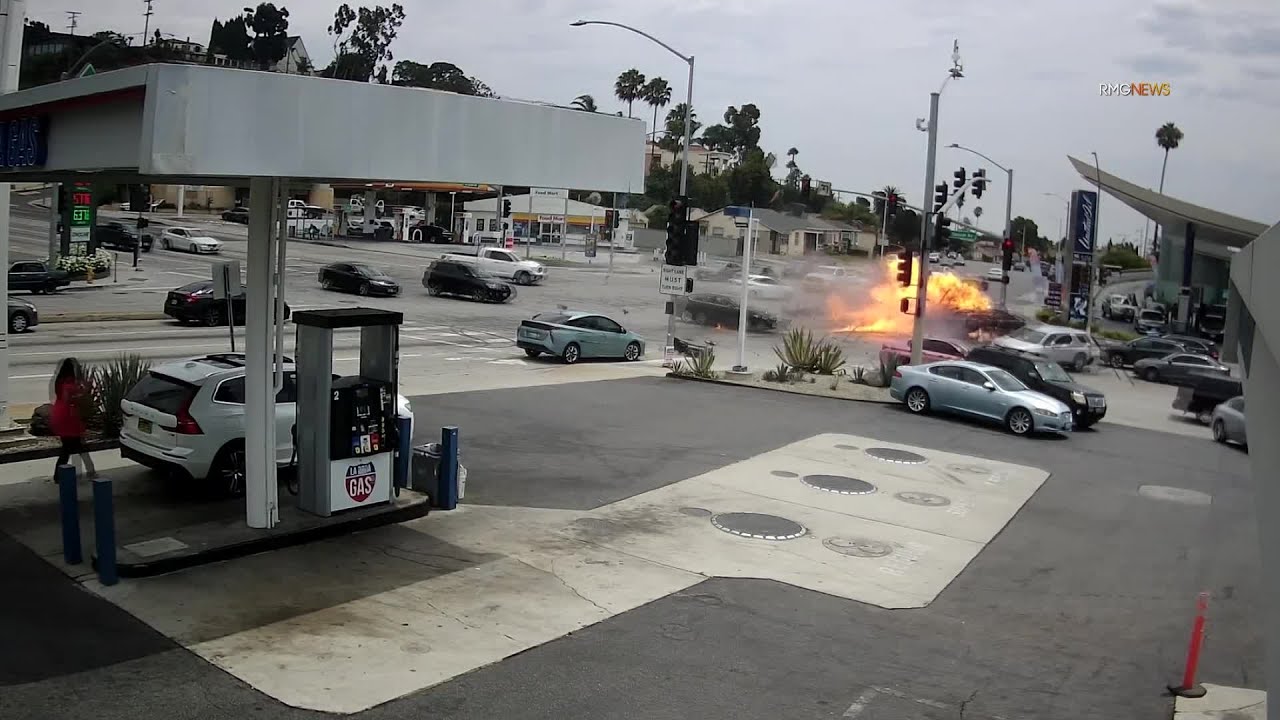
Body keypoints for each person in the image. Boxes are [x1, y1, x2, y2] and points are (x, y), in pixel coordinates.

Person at [50, 357, 96, 479]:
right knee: (73, 446)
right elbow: (68, 399)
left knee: (72, 446)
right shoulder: (68, 383)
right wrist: (82, 393)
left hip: (60, 414)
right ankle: (89, 471)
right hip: (68, 416)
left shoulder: (59, 381)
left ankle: (89, 470)